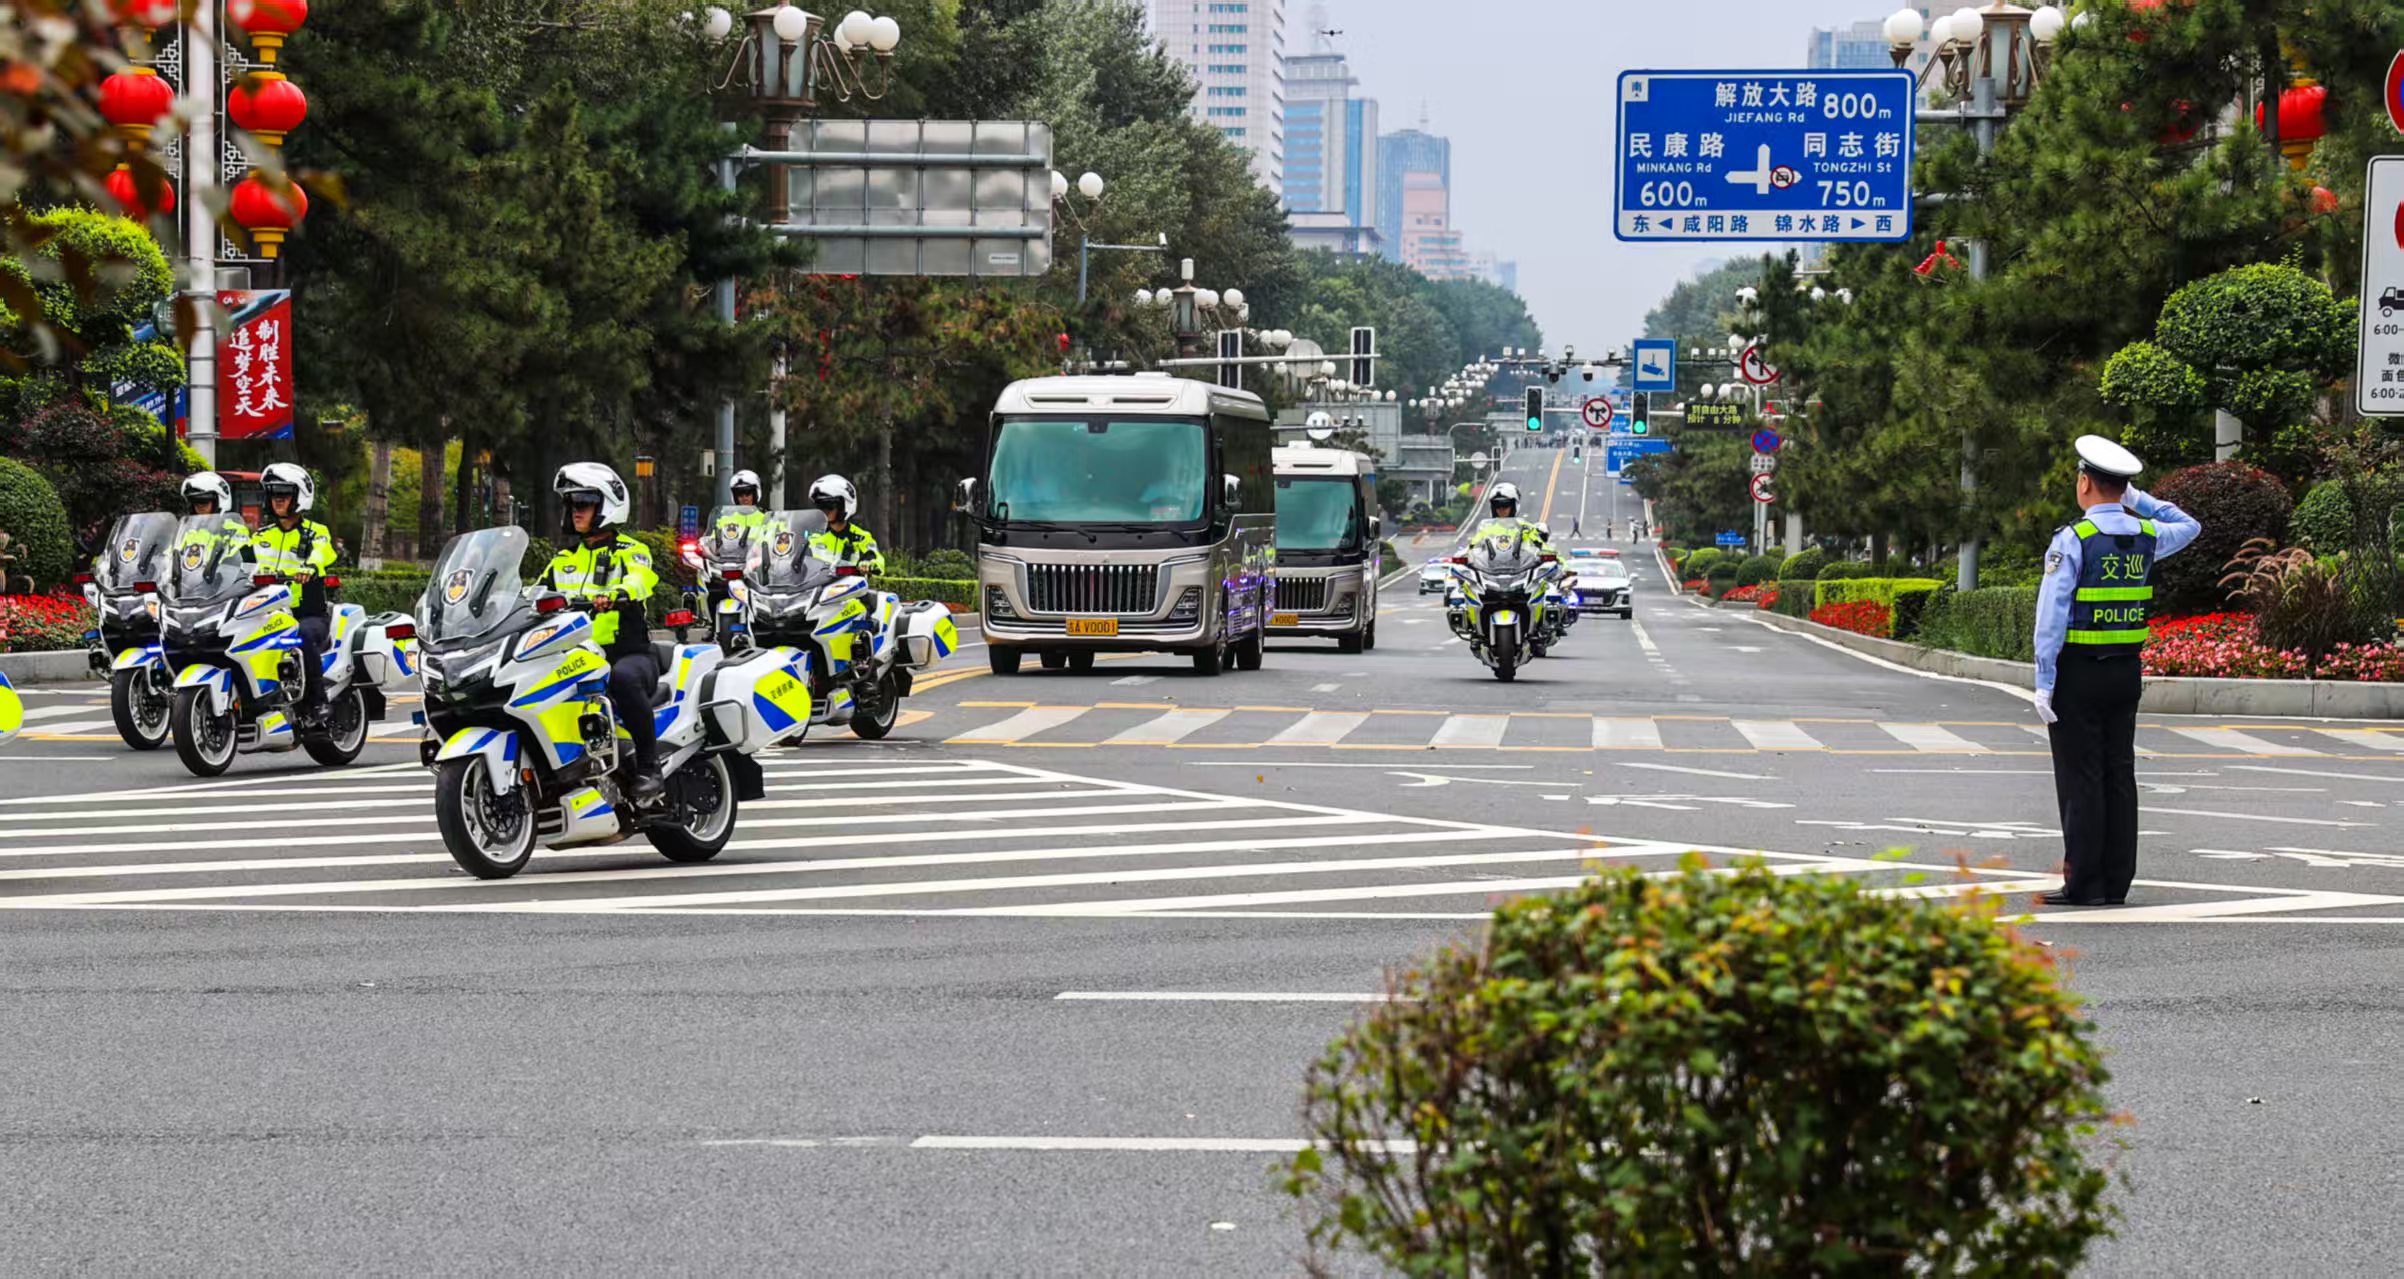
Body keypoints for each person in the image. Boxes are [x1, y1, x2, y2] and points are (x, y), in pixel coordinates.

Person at [2032, 435, 2201, 907]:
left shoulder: (2074, 540)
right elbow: (2189, 524)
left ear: (2085, 483)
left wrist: (2044, 683)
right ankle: (2116, 881)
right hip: (2126, 672)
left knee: (2080, 778)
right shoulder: (2147, 536)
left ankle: (2084, 883)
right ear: (2123, 488)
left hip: (2078, 675)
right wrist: (2139, 500)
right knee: (2118, 775)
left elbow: (2052, 619)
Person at [541, 463, 665, 807]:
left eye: (582, 504)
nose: (575, 512)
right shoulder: (563, 560)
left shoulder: (631, 551)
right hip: (577, 658)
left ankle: (649, 767)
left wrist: (618, 593)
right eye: (571, 505)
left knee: (623, 679)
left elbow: (642, 578)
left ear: (606, 507)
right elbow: (532, 594)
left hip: (628, 654)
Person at [250, 463, 339, 726]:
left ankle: (318, 699)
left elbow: (324, 552)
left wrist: (311, 567)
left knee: (301, 635)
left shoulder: (315, 532)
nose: (277, 500)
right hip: (266, 612)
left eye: (284, 494)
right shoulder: (261, 536)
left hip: (306, 613)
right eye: (273, 495)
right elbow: (240, 562)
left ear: (299, 497)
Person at [806, 474, 885, 573]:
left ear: (844, 507)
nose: (824, 511)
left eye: (829, 506)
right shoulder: (813, 535)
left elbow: (877, 559)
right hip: (815, 587)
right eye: (821, 506)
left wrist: (868, 563)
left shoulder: (861, 537)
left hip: (848, 587)